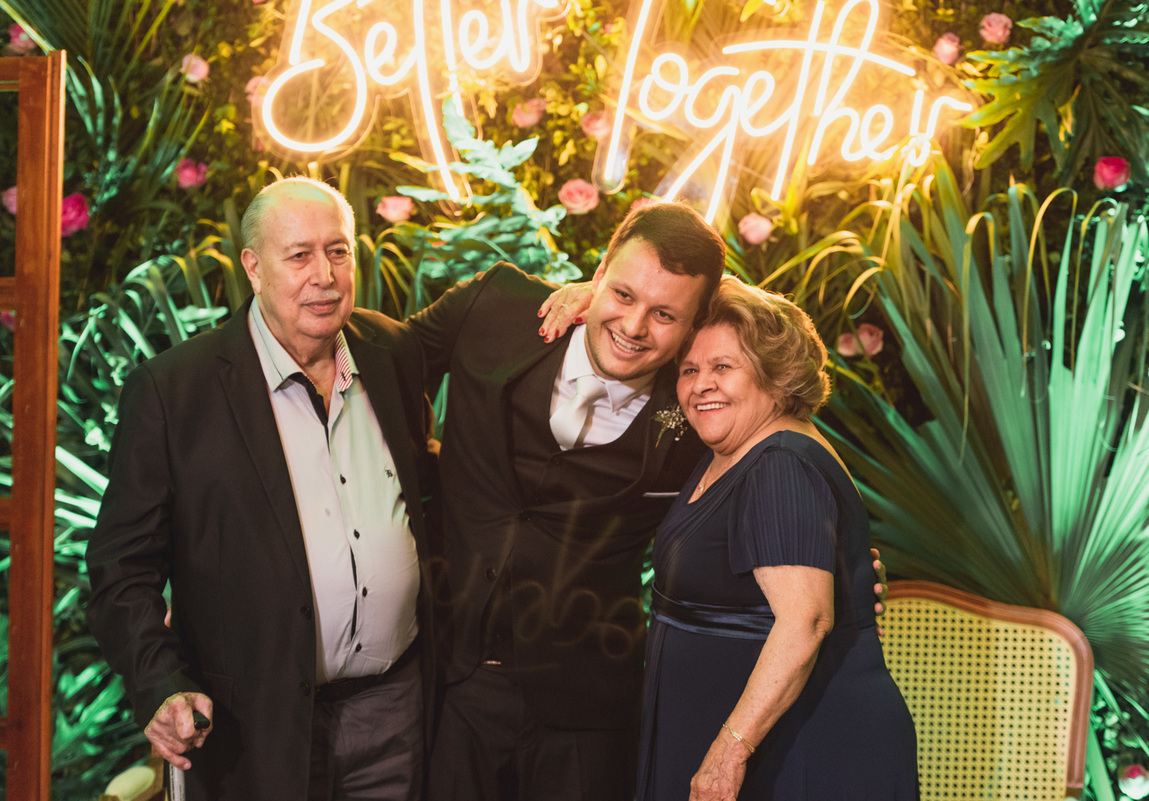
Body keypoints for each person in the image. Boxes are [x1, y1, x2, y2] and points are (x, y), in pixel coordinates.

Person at [85, 177, 438, 801]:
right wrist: (159, 684)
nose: (324, 276)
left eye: (338, 251)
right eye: (299, 255)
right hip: (251, 728)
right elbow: (122, 570)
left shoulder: (391, 353)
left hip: (394, 714)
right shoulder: (175, 392)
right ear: (253, 267)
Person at [408, 202, 725, 801]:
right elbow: (386, 365)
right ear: (598, 272)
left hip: (588, 707)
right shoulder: (497, 304)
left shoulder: (698, 412)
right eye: (623, 294)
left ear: (694, 324)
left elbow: (769, 462)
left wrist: (833, 562)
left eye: (664, 314)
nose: (634, 327)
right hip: (451, 679)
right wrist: (417, 465)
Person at [637, 275, 918, 800]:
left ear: (775, 375)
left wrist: (727, 754)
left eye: (723, 367)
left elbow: (806, 620)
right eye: (690, 369)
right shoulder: (736, 447)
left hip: (799, 749)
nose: (701, 385)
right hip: (757, 737)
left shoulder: (780, 463)